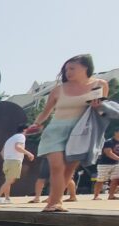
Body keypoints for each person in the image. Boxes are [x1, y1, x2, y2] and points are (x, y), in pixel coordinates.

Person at [28, 54, 109, 212]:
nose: (68, 73)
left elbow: (102, 111)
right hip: (56, 130)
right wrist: (36, 124)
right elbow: (46, 112)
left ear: (86, 68)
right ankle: (53, 203)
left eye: (72, 68)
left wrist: (98, 107)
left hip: (81, 132)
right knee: (57, 166)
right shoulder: (58, 90)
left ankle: (55, 201)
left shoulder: (100, 84)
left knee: (69, 170)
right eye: (66, 70)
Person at [0, 124, 36, 203]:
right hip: (14, 161)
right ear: (24, 130)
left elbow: (2, 152)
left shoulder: (10, 138)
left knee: (8, 181)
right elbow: (18, 147)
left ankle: (7, 199)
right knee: (10, 180)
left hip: (7, 161)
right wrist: (29, 153)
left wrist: (7, 159)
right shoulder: (21, 136)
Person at [93, 128, 119, 200]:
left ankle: (111, 195)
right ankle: (96, 196)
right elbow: (108, 153)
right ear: (116, 132)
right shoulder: (108, 142)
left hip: (116, 164)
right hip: (105, 164)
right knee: (101, 179)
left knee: (115, 179)